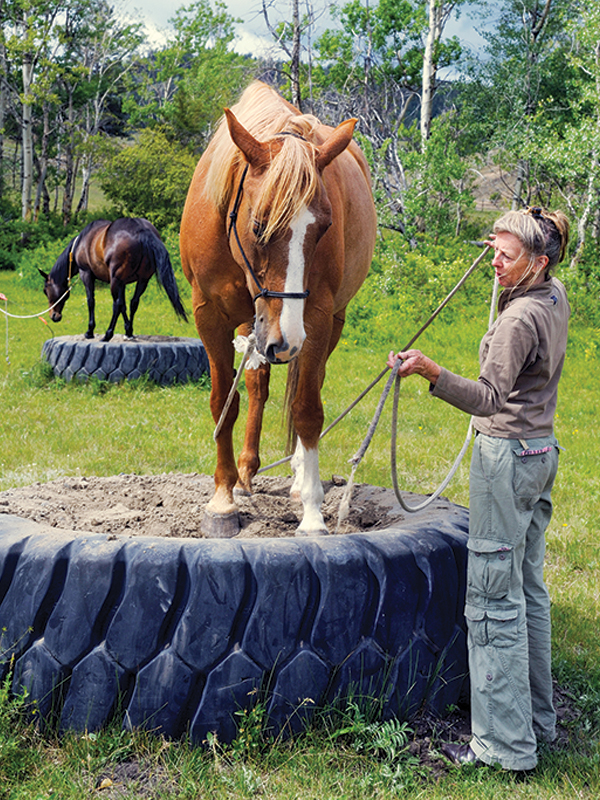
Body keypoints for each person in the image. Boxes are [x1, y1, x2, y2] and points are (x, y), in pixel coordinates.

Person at [387, 207, 570, 772]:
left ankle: (504, 745)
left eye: (506, 255)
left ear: (538, 262)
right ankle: (539, 722)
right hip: (540, 452)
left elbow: (490, 398)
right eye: (492, 247)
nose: (493, 260)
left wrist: (431, 372)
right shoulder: (554, 295)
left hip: (507, 461)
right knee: (527, 590)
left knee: (493, 600)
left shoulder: (518, 321)